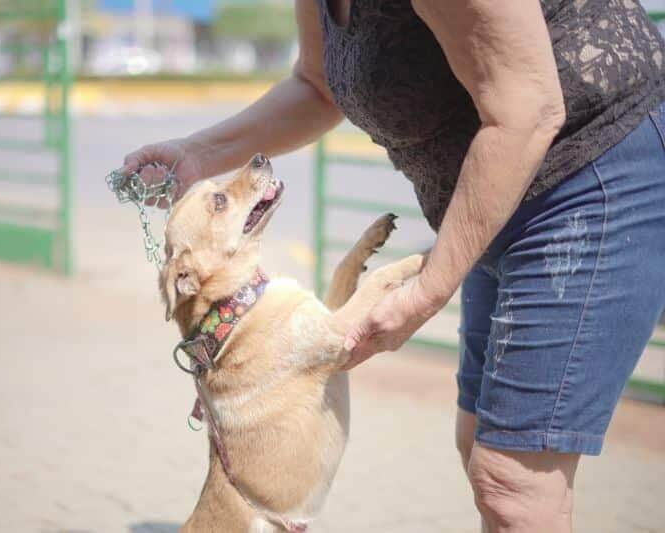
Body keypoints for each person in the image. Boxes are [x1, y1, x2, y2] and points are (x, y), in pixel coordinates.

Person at [122, 1, 665, 531]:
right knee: (478, 442)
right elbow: (317, 85)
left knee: (513, 483)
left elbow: (528, 106)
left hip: (591, 165)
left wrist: (428, 288)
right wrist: (198, 152)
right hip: (495, 193)